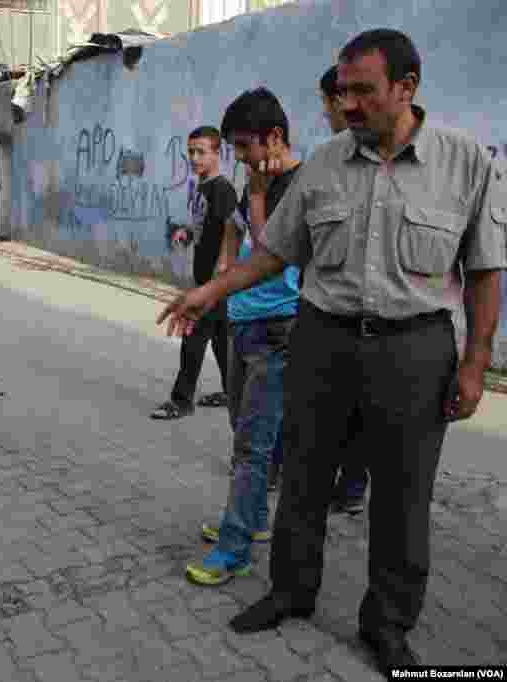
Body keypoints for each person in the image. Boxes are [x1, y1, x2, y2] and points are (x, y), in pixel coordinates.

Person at [159, 29, 505, 670]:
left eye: (362, 91)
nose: (346, 104)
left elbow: (485, 270)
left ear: (406, 88)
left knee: (404, 496)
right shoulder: (324, 165)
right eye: (341, 91)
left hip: (414, 350)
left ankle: (389, 623)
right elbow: (274, 253)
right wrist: (209, 291)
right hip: (323, 339)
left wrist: (476, 364)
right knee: (302, 479)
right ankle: (291, 592)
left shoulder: (465, 165)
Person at [166, 89, 301, 587]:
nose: (239, 158)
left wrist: (261, 193)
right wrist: (222, 271)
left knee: (251, 445)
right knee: (250, 437)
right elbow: (236, 229)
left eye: (244, 147)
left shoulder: (295, 184)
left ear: (275, 138)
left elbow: (271, 254)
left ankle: (235, 546)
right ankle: (255, 520)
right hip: (243, 320)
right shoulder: (255, 181)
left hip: (277, 327)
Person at [150, 126, 238, 421]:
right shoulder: (203, 188)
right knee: (222, 340)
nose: (195, 157)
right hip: (213, 283)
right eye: (191, 152)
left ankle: (181, 400)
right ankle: (232, 392)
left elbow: (230, 231)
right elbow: (207, 229)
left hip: (214, 283)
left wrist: (217, 279)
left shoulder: (222, 189)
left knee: (193, 337)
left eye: (201, 152)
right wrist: (186, 234)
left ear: (217, 153)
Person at [316, 64, 370, 515]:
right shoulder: (325, 162)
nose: (336, 109)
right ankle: (349, 484)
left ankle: (352, 485)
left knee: (354, 417)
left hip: (374, 332)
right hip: (329, 322)